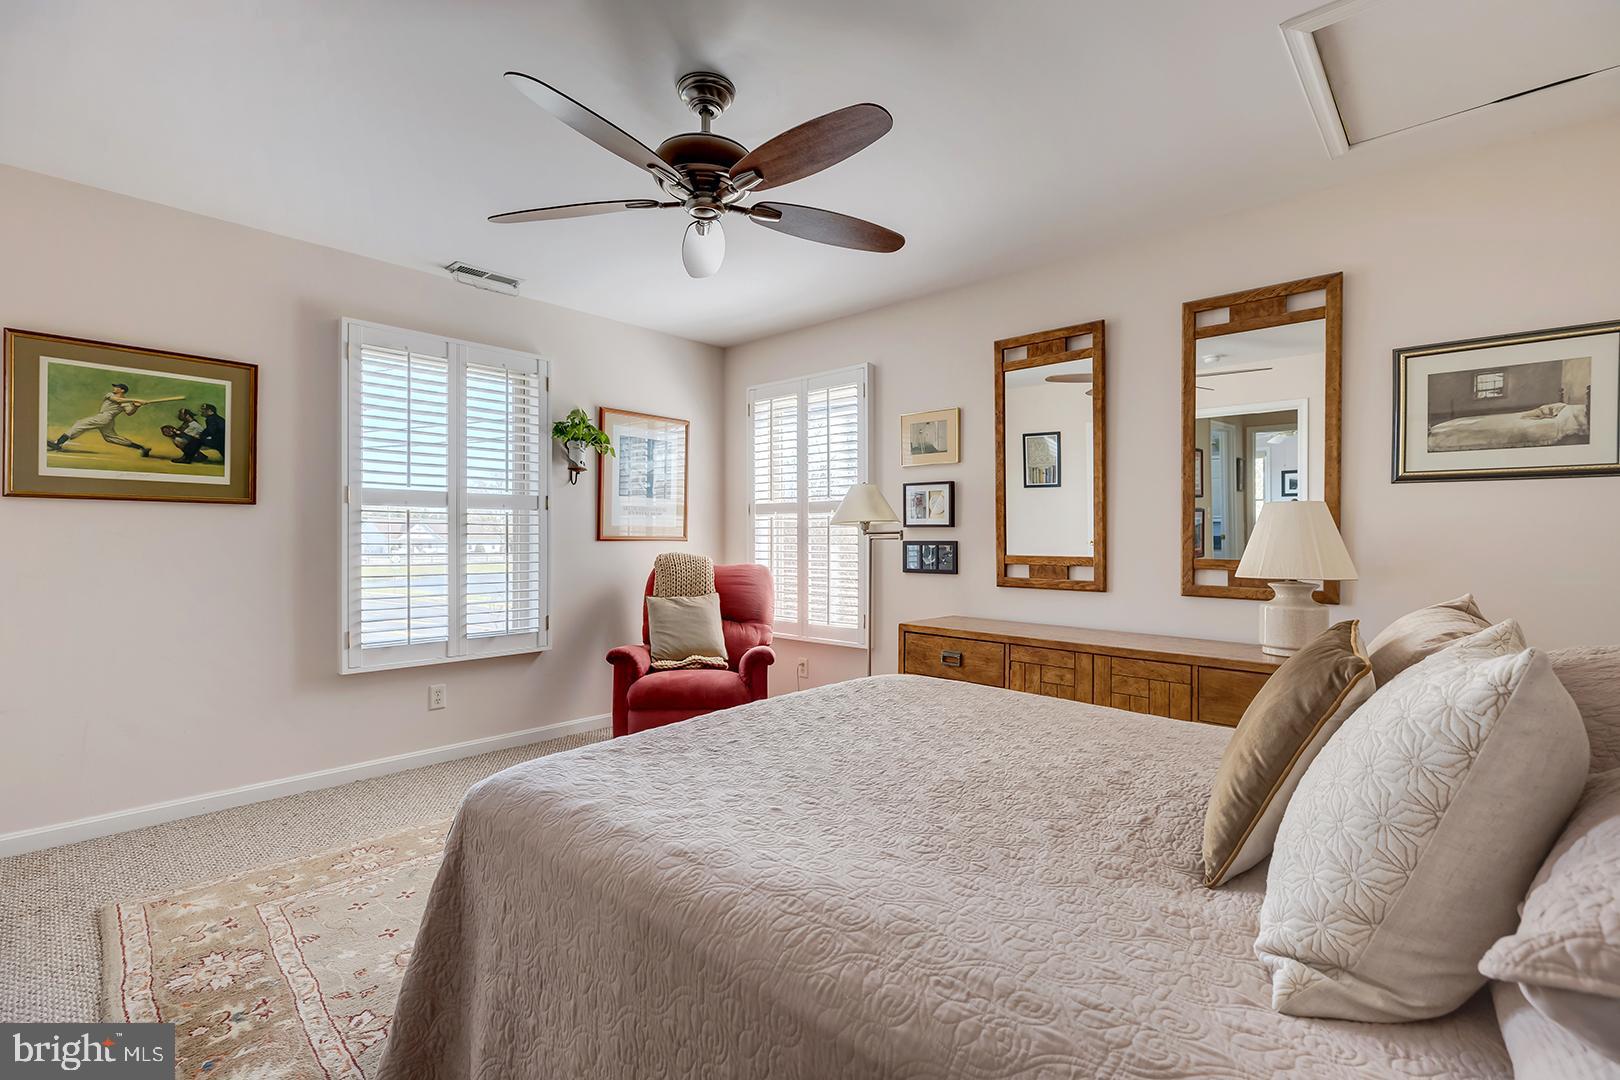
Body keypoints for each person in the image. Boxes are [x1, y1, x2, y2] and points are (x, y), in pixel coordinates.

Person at [45, 382, 152, 457]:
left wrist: (136, 406)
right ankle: (141, 448)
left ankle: (58, 444)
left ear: (122, 390)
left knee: (80, 423)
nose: (114, 388)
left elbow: (129, 413)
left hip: (105, 417)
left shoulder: (127, 402)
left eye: (117, 387)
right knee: (111, 438)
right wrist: (136, 400)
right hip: (106, 420)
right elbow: (118, 400)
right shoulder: (111, 395)